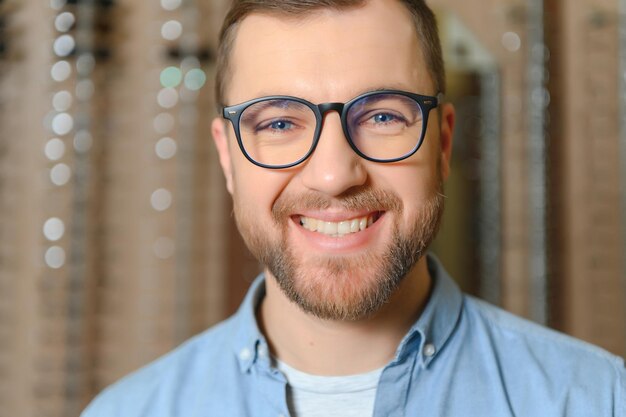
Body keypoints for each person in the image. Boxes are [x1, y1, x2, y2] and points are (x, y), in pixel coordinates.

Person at [82, 0, 625, 416]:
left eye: (384, 116)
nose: (334, 174)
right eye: (278, 123)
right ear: (227, 158)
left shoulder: (598, 400)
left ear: (442, 144)